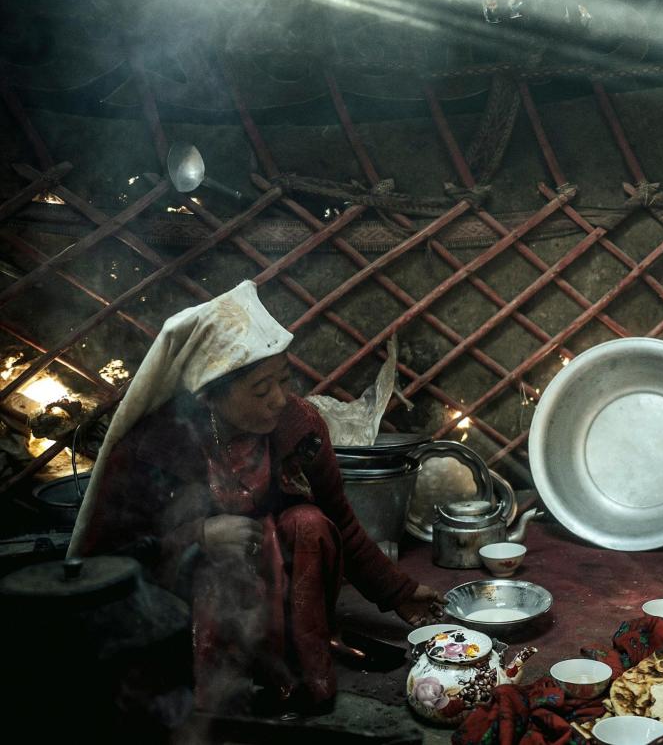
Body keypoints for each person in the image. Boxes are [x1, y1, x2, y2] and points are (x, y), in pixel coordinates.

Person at [68, 281, 443, 713]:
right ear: (210, 396)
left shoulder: (298, 425)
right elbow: (109, 556)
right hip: (183, 605)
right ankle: (217, 686)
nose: (279, 400)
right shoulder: (155, 445)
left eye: (284, 380)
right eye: (261, 390)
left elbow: (339, 518)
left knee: (310, 523)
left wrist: (400, 592)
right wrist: (197, 535)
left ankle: (298, 668)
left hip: (282, 592)